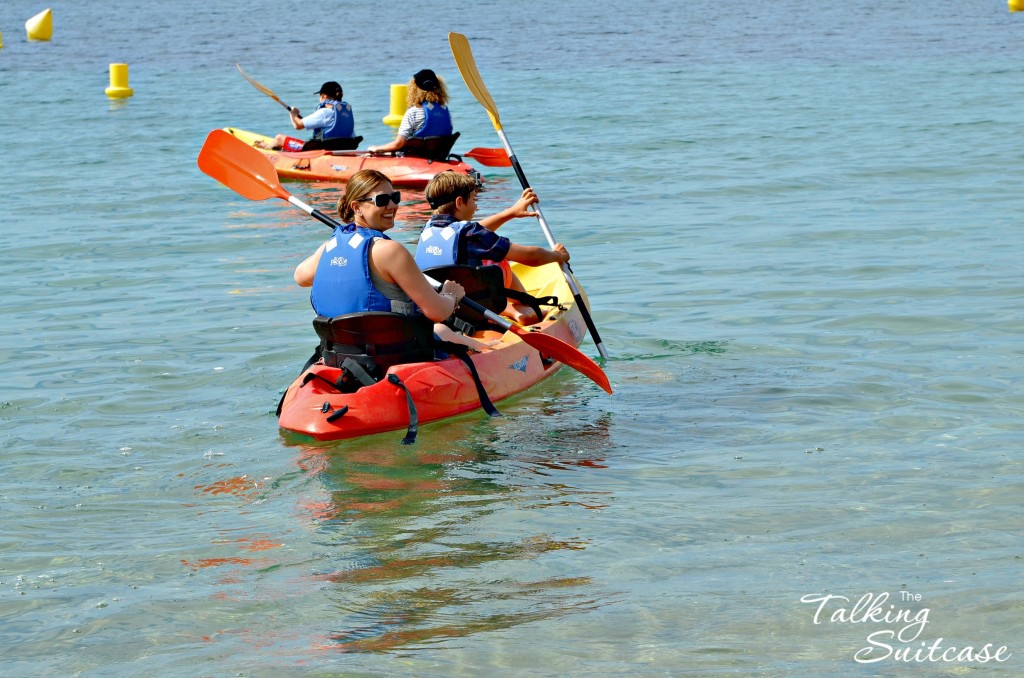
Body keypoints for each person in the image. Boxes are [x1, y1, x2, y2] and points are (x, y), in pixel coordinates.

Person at [293, 169, 493, 351]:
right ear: (357, 207)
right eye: (381, 200)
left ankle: (484, 347)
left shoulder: (329, 247)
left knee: (442, 332)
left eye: (395, 197)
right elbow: (437, 311)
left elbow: (301, 277)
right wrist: (451, 295)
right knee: (441, 328)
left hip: (340, 352)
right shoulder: (391, 251)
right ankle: (491, 351)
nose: (392, 205)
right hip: (393, 353)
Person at [415, 170, 570, 325]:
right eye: (473, 199)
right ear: (459, 202)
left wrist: (511, 213)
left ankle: (508, 309)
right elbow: (530, 256)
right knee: (500, 256)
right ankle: (526, 305)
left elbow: (472, 232)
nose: (476, 207)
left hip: (442, 306)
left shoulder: (427, 230)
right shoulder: (470, 233)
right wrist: (558, 255)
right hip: (473, 307)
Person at [367, 69, 453, 154]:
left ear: (414, 89)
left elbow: (398, 144)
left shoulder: (413, 112)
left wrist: (377, 148)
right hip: (438, 156)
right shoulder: (445, 111)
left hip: (415, 157)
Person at [262, 81, 359, 151]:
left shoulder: (324, 112)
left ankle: (266, 150)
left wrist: (293, 114)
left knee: (279, 138)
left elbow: (298, 125)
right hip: (342, 149)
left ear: (323, 96)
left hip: (321, 150)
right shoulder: (345, 115)